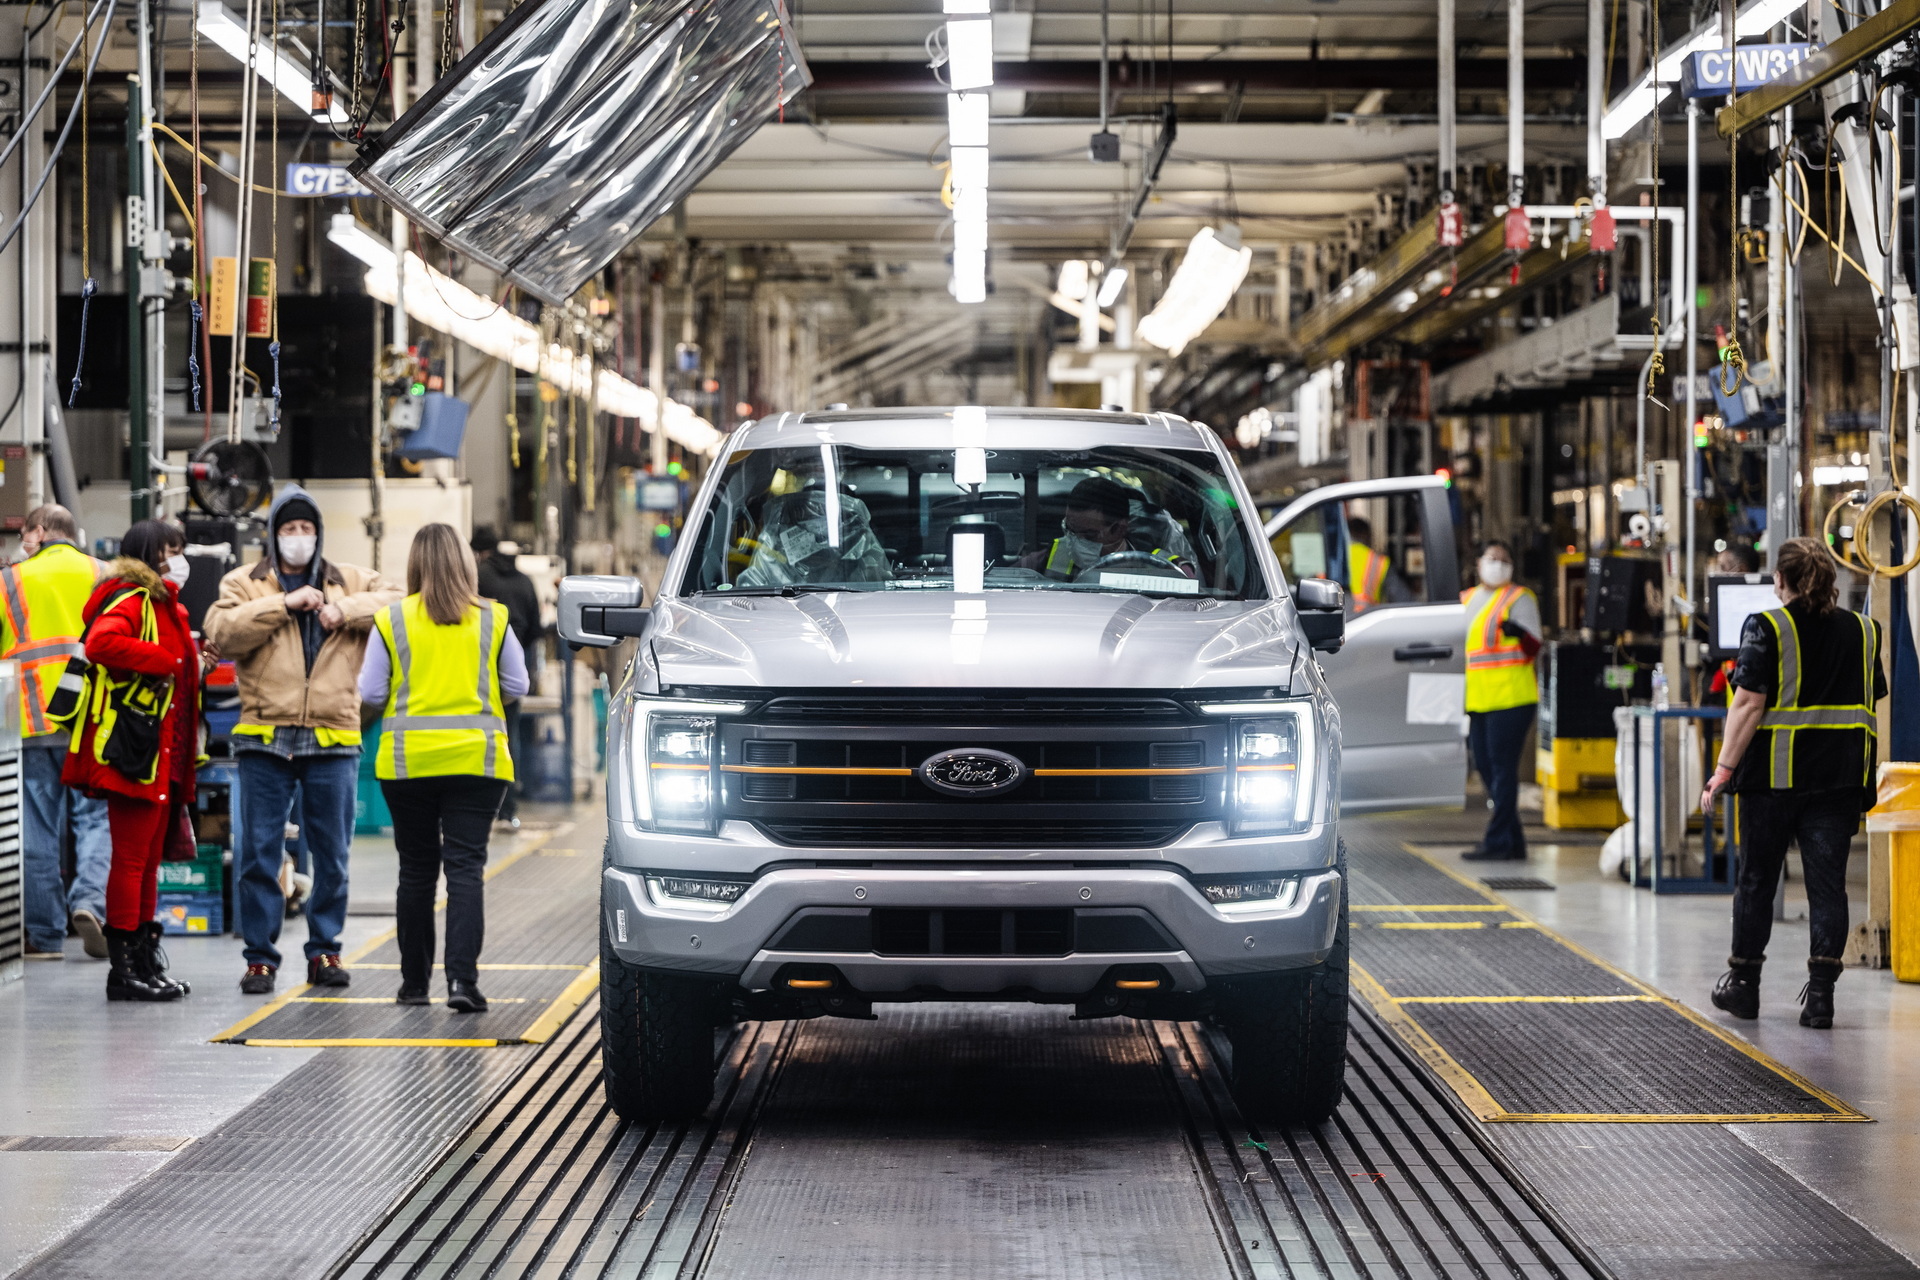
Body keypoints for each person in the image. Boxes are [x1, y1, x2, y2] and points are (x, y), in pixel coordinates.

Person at [204, 486, 401, 995]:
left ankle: (325, 952)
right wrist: (282, 604)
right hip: (265, 739)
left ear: (319, 533)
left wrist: (345, 609)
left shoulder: (349, 580)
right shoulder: (244, 582)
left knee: (333, 855)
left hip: (333, 738)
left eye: (306, 528)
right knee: (259, 854)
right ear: (273, 535)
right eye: (289, 529)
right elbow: (222, 630)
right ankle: (260, 959)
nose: (298, 537)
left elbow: (398, 602)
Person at [1700, 537, 1885, 1029]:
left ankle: (1744, 986)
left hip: (1773, 781)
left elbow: (1747, 704)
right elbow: (1868, 700)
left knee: (1757, 881)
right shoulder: (1865, 631)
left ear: (1780, 580)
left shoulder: (1766, 627)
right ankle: (1821, 998)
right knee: (1828, 889)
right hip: (1840, 782)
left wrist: (1722, 771)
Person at [361, 524, 529, 1012]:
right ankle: (462, 983)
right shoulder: (493, 618)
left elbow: (371, 692)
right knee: (465, 870)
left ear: (415, 565)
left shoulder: (391, 619)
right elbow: (517, 685)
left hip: (407, 764)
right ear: (466, 564)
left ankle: (414, 985)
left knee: (416, 871)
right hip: (477, 763)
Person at [63, 521, 200, 1001]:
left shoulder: (167, 606)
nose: (178, 559)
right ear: (148, 553)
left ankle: (143, 961)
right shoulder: (132, 598)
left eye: (180, 549)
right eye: (170, 550)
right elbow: (102, 643)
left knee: (147, 862)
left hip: (163, 753)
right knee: (132, 859)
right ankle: (123, 970)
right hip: (134, 751)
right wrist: (165, 660)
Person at [3, 505, 113, 960]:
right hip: (92, 719)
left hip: (33, 719)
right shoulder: (105, 574)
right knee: (96, 820)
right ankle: (90, 903)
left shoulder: (10, 580)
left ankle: (45, 935)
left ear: (39, 531)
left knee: (37, 828)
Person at [1462, 539, 1542, 862]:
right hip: (1479, 699)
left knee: (1502, 769)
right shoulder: (1467, 599)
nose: (1498, 564)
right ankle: (1514, 841)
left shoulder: (1519, 598)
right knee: (1484, 766)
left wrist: (1519, 633)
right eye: (1492, 558)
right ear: (1479, 563)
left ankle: (1497, 841)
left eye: (1504, 559)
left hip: (1512, 698)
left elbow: (1535, 646)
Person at [472, 526, 540, 827]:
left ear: (479, 551)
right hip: (513, 666)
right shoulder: (525, 580)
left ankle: (480, 806)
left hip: (479, 667)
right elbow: (537, 628)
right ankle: (508, 808)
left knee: (478, 735)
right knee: (509, 737)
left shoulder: (478, 576)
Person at [1026, 476, 1194, 580]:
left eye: (1089, 535)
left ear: (1119, 529)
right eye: (1069, 530)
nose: (1075, 542)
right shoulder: (1051, 556)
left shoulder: (1168, 568)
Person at [1346, 516, 1413, 611]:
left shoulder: (1333, 558)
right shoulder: (1378, 561)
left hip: (1338, 618)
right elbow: (1405, 601)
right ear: (1367, 536)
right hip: (1368, 617)